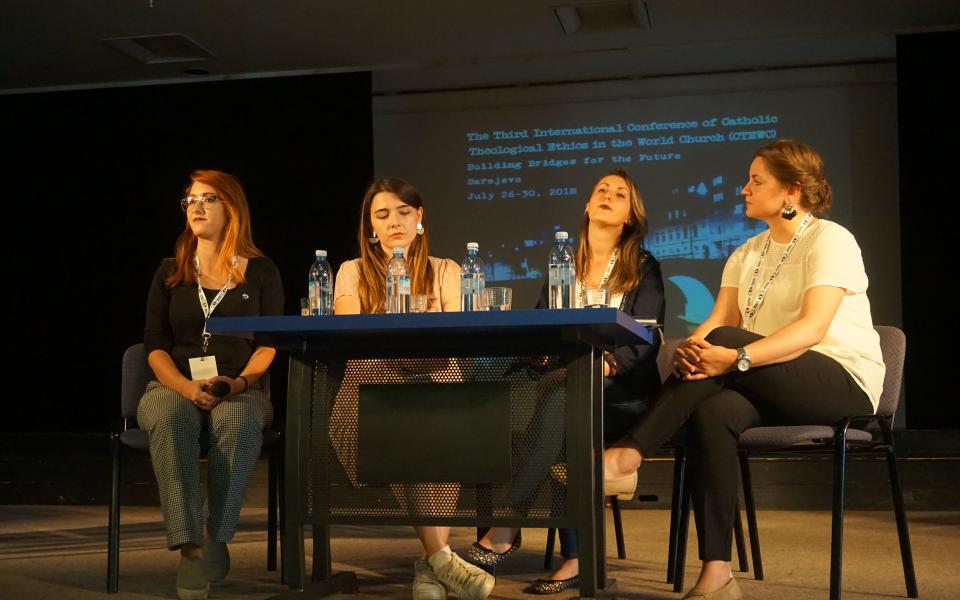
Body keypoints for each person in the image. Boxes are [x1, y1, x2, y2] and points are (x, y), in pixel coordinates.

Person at [603, 139, 884, 600]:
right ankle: (717, 573)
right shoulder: (746, 253)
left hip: (839, 380)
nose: (744, 189)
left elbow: (812, 329)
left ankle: (629, 453)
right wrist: (693, 349)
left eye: (757, 181)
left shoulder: (832, 240)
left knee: (727, 344)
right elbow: (716, 323)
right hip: (770, 380)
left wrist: (736, 357)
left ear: (791, 192)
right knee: (714, 413)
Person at [467, 168, 665, 594]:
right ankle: (575, 557)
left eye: (620, 194)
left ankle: (505, 526)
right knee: (545, 400)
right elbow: (546, 331)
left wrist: (603, 367)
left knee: (562, 395)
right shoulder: (563, 263)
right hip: (564, 392)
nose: (609, 196)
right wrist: (526, 340)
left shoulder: (644, 267)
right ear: (587, 205)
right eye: (601, 191)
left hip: (622, 397)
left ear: (630, 216)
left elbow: (648, 336)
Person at [333, 177, 495, 600]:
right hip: (370, 401)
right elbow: (352, 332)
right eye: (382, 215)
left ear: (419, 217)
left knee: (433, 416)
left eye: (404, 212)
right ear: (371, 227)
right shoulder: (351, 271)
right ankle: (441, 559)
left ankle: (431, 567)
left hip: (433, 389)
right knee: (406, 421)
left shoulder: (446, 270)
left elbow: (456, 336)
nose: (394, 222)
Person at [139, 170, 283, 600]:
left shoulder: (260, 271)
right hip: (173, 386)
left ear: (232, 208)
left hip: (241, 389)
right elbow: (154, 346)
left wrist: (237, 384)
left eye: (209, 198)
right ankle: (190, 550)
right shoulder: (170, 271)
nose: (196, 207)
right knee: (168, 416)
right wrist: (185, 388)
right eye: (190, 200)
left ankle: (216, 532)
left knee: (238, 422)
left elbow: (270, 345)